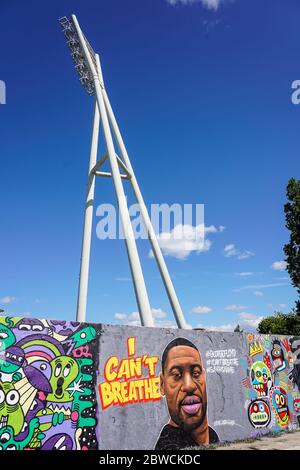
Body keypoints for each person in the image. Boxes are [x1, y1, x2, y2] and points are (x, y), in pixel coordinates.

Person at [155, 337, 219, 450]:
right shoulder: (169, 445)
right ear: (162, 385)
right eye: (176, 375)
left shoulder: (212, 435)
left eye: (196, 373)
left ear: (204, 377)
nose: (189, 386)